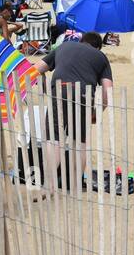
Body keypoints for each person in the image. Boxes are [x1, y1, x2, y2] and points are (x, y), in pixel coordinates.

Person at [42, 31, 113, 189]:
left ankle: (49, 184)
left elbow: (36, 68)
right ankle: (75, 184)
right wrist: (97, 112)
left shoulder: (64, 46)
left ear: (81, 41)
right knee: (79, 142)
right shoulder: (100, 57)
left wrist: (45, 86)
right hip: (83, 95)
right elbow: (107, 91)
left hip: (59, 90)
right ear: (98, 47)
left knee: (54, 139)